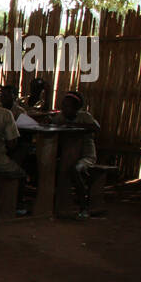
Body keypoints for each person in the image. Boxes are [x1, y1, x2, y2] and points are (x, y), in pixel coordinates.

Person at [50, 90, 101, 219]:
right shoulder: (61, 117)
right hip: (68, 155)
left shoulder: (85, 117)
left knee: (75, 170)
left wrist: (72, 125)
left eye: (67, 106)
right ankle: (58, 204)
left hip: (86, 156)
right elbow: (53, 124)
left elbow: (96, 128)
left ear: (76, 108)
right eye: (63, 105)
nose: (64, 109)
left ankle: (83, 206)